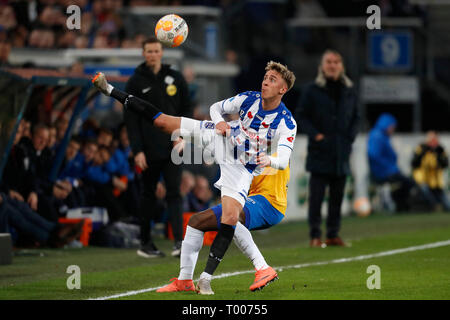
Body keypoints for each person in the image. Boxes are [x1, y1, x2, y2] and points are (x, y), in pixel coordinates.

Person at [91, 59, 297, 295]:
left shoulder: (286, 122)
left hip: (240, 168)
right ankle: (109, 89)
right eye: (265, 77)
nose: (265, 82)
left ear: (283, 89)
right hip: (222, 138)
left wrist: (269, 160)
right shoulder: (249, 97)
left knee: (230, 216)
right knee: (163, 122)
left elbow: (283, 158)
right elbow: (216, 108)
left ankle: (223, 275)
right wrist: (220, 122)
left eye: (272, 80)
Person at [156, 157, 289, 294]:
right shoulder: (245, 143)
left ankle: (263, 268)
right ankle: (184, 281)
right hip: (255, 198)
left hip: (270, 202)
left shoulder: (271, 141)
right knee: (196, 222)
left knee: (231, 216)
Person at [124, 36, 193, 258]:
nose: (153, 55)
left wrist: (181, 136)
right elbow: (131, 119)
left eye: (156, 51)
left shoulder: (175, 77)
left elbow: (186, 110)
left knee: (175, 193)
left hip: (174, 145)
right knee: (148, 195)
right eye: (149, 51)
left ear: (162, 52)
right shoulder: (135, 82)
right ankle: (145, 243)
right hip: (149, 148)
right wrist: (137, 150)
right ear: (143, 54)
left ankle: (179, 243)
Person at [296, 49, 359, 248]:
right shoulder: (311, 90)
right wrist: (316, 135)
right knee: (316, 197)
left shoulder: (349, 89)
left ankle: (333, 234)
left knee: (337, 197)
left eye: (336, 62)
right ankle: (315, 235)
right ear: (322, 67)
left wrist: (349, 138)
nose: (332, 65)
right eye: (329, 62)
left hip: (341, 150)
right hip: (319, 151)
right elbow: (300, 116)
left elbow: (356, 117)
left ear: (342, 66)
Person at [368, 113, 416, 212]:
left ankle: (400, 205)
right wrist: (388, 168)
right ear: (386, 125)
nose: (393, 130)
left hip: (388, 171)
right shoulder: (377, 136)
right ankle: (398, 204)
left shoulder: (382, 136)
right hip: (383, 173)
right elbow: (373, 155)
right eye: (392, 127)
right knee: (409, 183)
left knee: (407, 182)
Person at [411, 131, 450, 211]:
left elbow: (445, 164)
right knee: (428, 196)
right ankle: (434, 207)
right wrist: (423, 152)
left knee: (447, 205)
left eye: (435, 139)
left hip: (436, 183)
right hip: (422, 181)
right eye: (431, 140)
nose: (433, 142)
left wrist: (438, 154)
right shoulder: (421, 148)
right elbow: (414, 163)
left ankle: (437, 207)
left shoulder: (440, 149)